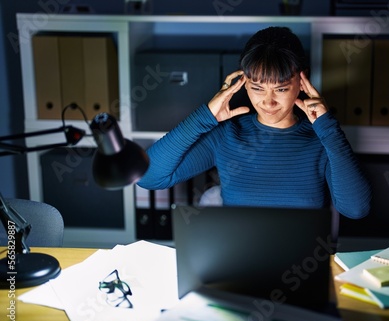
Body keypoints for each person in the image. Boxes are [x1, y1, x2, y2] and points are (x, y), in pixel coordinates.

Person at [137, 26, 371, 219]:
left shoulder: (323, 138)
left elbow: (356, 209)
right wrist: (205, 117)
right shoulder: (227, 134)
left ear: (302, 81)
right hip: (237, 266)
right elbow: (148, 177)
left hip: (302, 268)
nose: (268, 102)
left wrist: (328, 129)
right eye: (258, 88)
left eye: (280, 89)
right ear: (243, 82)